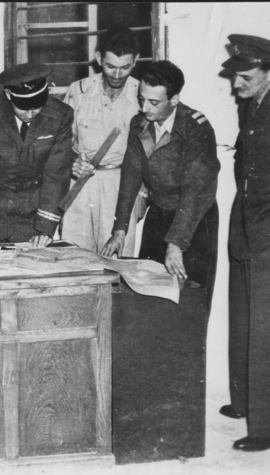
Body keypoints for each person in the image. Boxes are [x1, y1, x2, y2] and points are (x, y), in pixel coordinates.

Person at [101, 61, 220, 300]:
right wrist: (120, 229)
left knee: (189, 300)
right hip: (159, 215)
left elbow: (194, 190)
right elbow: (131, 177)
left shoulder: (196, 129)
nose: (145, 108)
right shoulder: (140, 123)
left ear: (174, 99)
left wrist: (176, 243)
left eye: (154, 102)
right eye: (141, 98)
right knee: (149, 294)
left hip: (193, 221)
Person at [219, 34, 270, 453]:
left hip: (269, 225)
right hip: (246, 219)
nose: (237, 85)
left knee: (264, 325)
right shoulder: (250, 103)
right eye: (235, 76)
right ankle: (244, 401)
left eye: (246, 77)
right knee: (242, 312)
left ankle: (265, 425)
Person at [0, 63, 76, 248]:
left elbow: (56, 175)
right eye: (24, 108)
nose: (31, 114)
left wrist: (45, 228)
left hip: (34, 215)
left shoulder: (61, 115)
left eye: (38, 107)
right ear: (9, 95)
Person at [61, 26, 143, 255]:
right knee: (75, 256)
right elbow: (60, 143)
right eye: (110, 66)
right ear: (98, 59)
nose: (117, 75)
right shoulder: (78, 91)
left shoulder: (142, 95)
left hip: (122, 185)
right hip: (80, 185)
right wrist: (72, 162)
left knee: (117, 261)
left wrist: (144, 194)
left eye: (125, 67)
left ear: (136, 60)